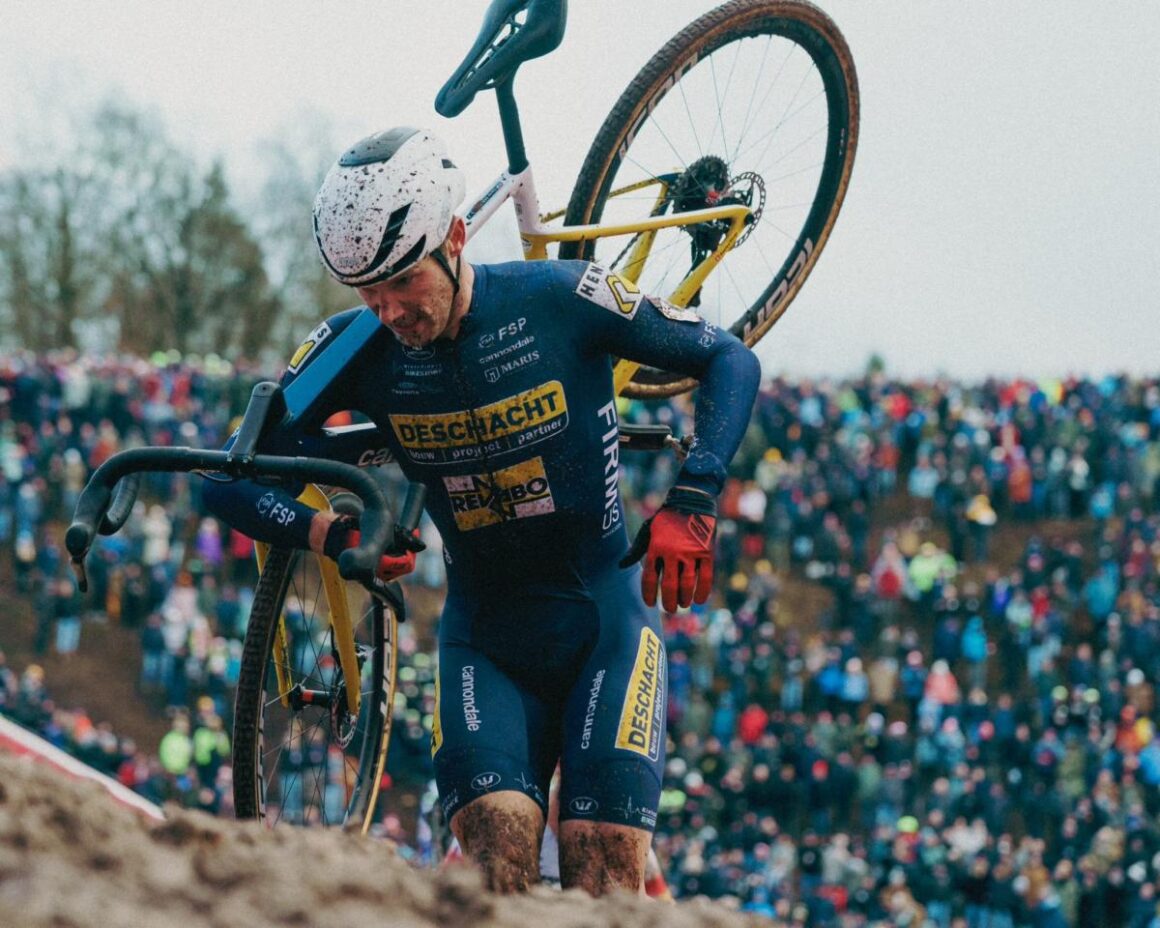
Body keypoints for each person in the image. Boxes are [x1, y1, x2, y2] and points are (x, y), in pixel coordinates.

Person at [203, 127, 760, 896]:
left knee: (600, 862)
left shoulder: (563, 297)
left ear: (456, 236)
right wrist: (331, 534)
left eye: (403, 283)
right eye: (366, 292)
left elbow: (730, 357)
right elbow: (225, 477)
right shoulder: (354, 345)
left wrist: (696, 493)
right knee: (499, 863)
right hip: (484, 640)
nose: (389, 310)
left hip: (604, 620)